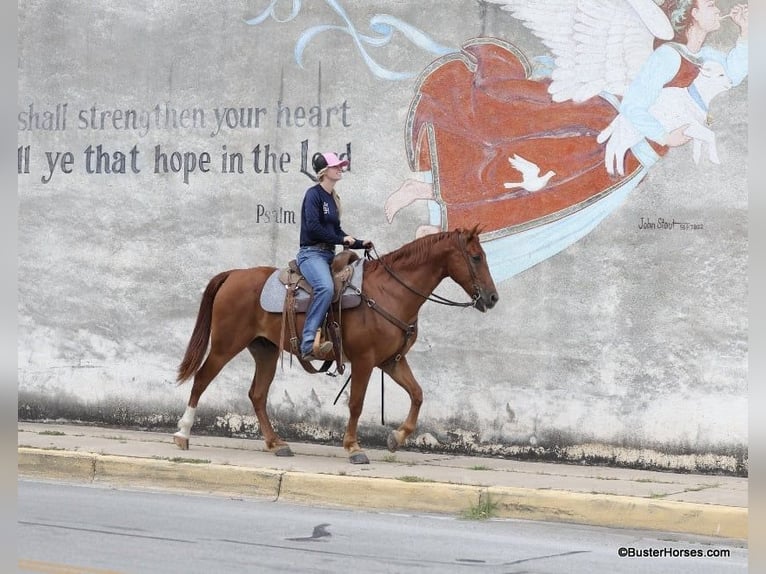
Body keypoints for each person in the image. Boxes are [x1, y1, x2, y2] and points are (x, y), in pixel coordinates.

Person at [615, 0, 748, 170]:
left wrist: (745, 31)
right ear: (694, 14)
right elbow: (632, 106)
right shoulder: (668, 56)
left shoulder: (706, 56)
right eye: (710, 5)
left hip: (661, 162)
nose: (717, 11)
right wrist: (666, 137)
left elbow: (732, 77)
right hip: (636, 155)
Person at [297, 152, 372, 362]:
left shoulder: (333, 199)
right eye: (336, 166)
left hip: (328, 254)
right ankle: (308, 342)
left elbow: (337, 232)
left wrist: (358, 242)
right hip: (311, 254)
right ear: (324, 171)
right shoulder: (313, 194)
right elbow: (313, 228)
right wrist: (342, 240)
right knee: (326, 288)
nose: (340, 169)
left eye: (341, 166)